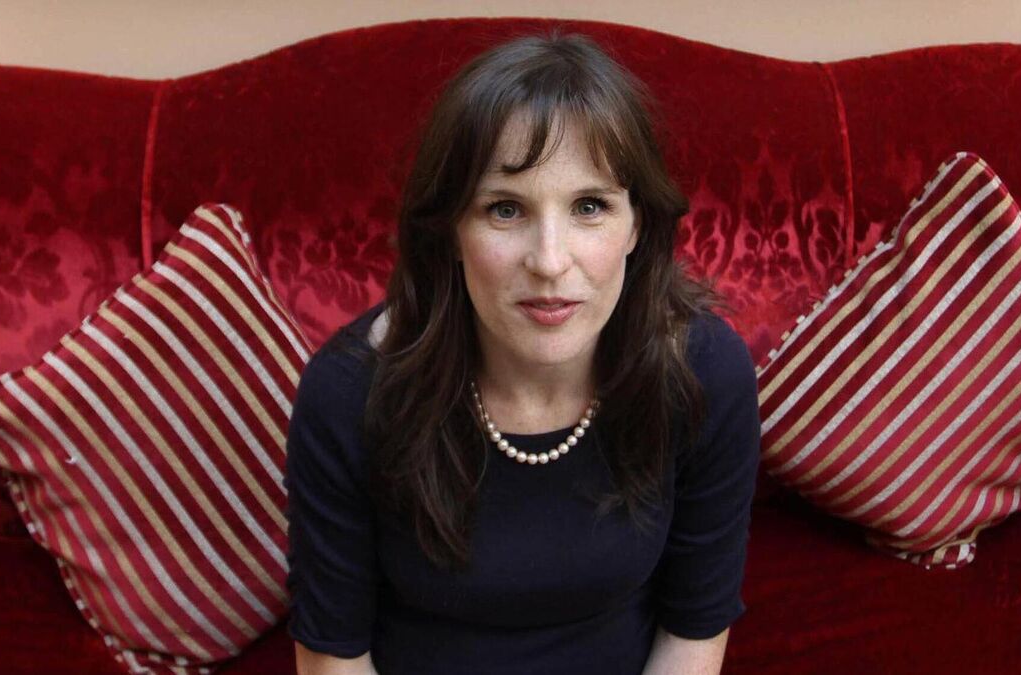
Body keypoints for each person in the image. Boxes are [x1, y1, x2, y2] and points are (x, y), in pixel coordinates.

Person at [285, 30, 760, 675]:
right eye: (505, 209)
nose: (549, 261)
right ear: (450, 231)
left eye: (589, 206)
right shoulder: (348, 393)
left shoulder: (703, 372)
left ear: (637, 225)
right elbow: (333, 658)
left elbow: (693, 634)